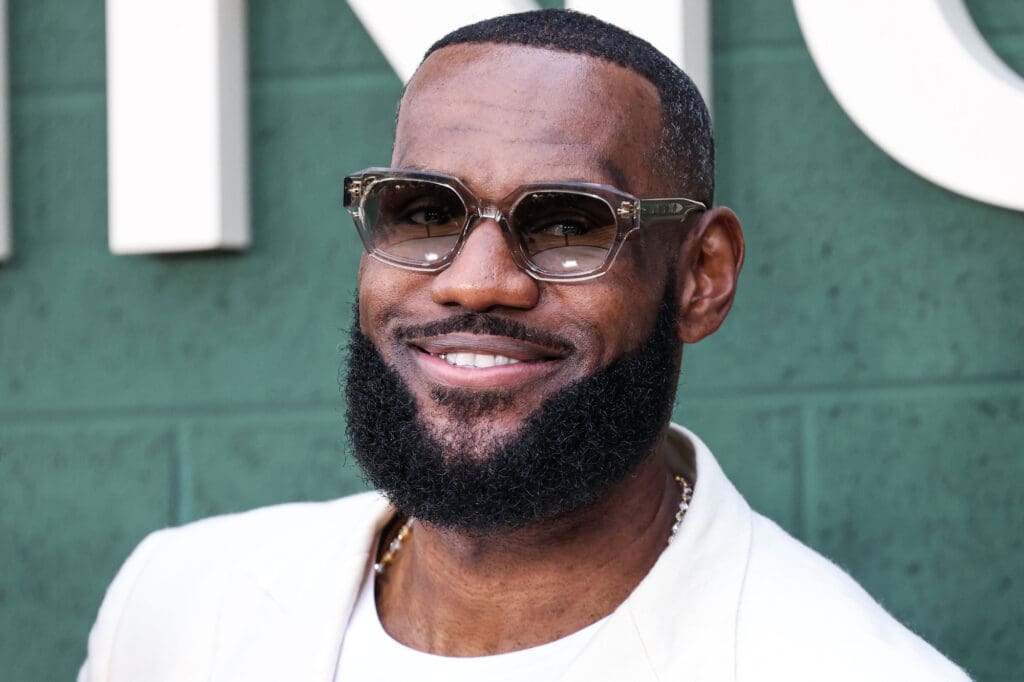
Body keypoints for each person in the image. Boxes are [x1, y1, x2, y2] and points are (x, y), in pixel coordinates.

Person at [79, 10, 970, 681]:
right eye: (424, 210)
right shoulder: (175, 610)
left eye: (572, 224)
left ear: (702, 275)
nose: (477, 280)